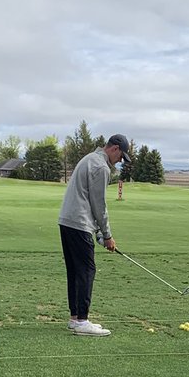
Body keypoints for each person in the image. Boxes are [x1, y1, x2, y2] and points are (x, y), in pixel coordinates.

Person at [58, 134, 130, 336]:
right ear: (115, 149)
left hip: (68, 221)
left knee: (75, 271)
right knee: (87, 271)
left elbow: (89, 200)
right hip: (78, 222)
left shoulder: (91, 158)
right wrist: (107, 235)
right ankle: (82, 321)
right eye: (121, 157)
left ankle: (75, 318)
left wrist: (97, 233)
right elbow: (99, 205)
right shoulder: (101, 167)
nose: (120, 162)